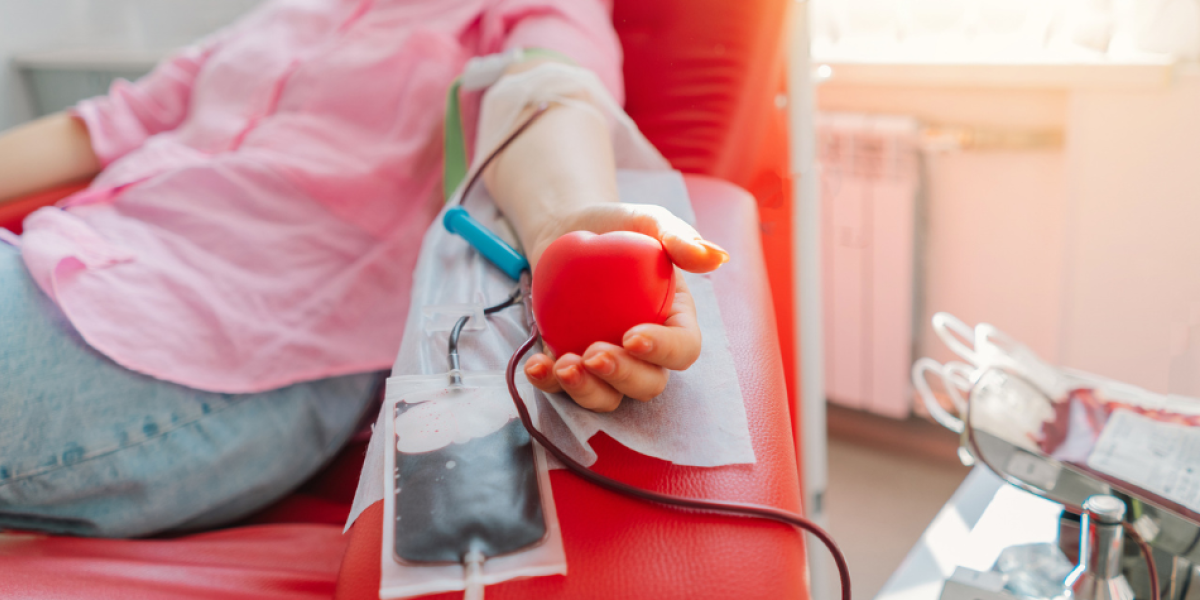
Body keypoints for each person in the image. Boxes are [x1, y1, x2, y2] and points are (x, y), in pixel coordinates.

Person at [0, 0, 728, 538]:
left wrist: (563, 222)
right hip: (56, 255)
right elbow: (109, 121)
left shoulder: (524, 11)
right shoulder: (290, 13)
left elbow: (542, 94)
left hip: (206, 347)